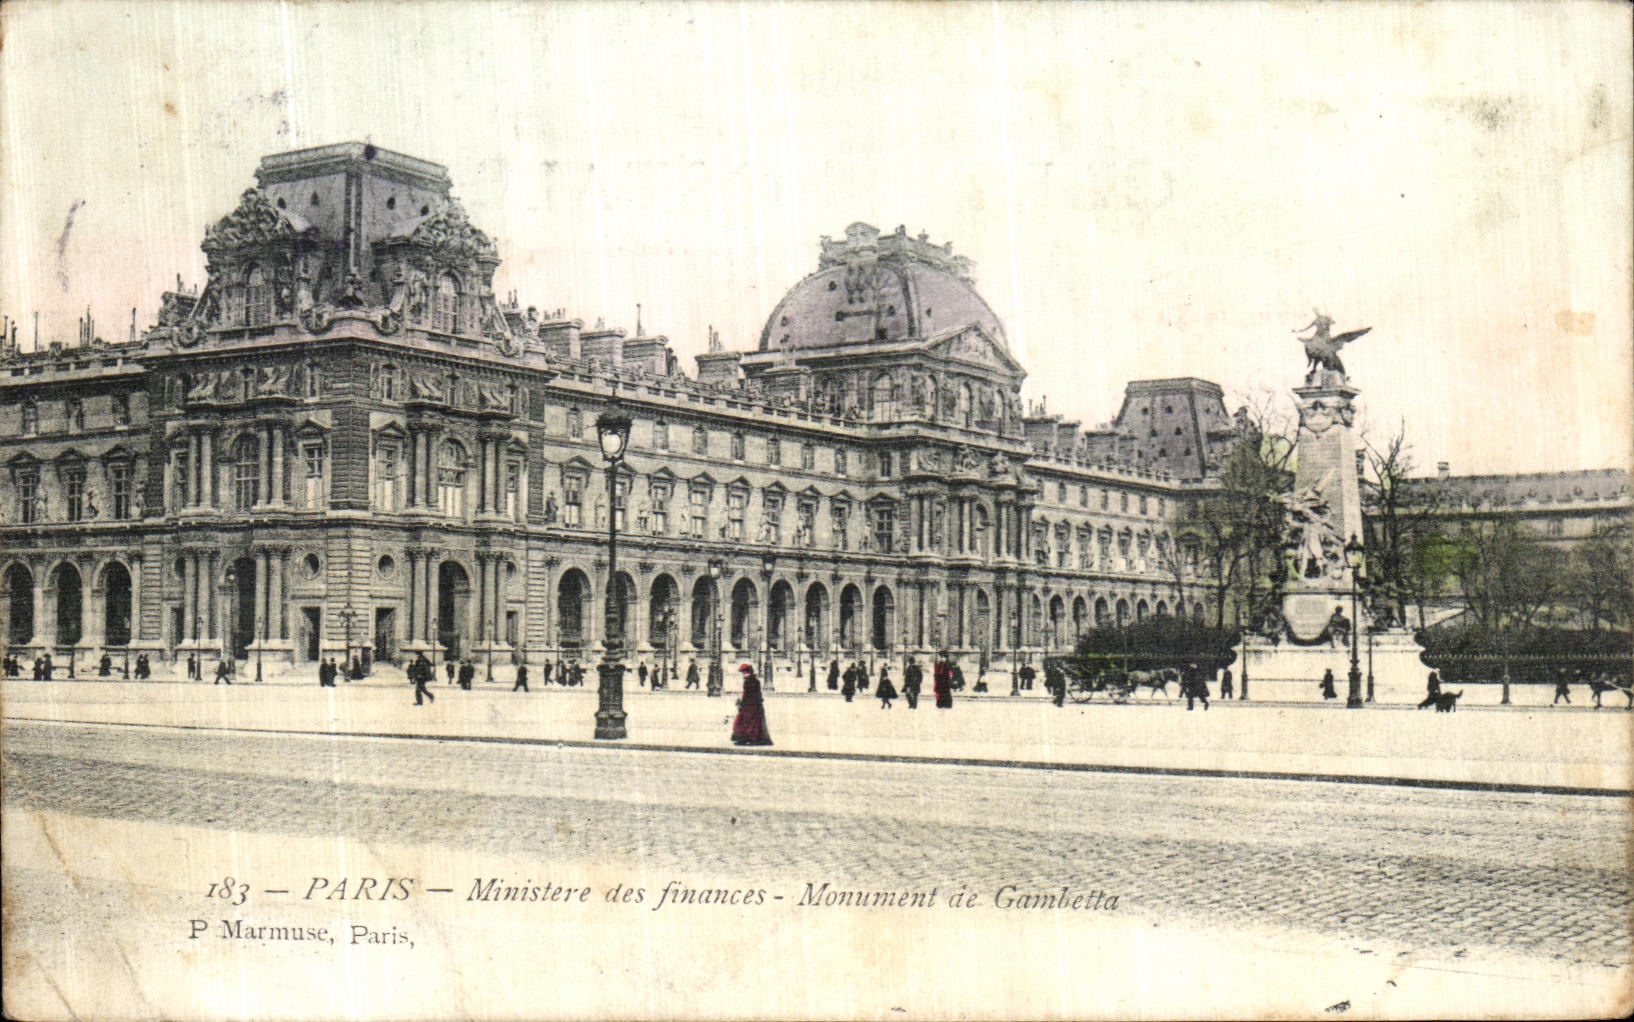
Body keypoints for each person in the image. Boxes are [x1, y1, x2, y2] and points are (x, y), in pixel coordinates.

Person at [731, 664, 773, 746]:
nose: (743, 674)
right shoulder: (756, 681)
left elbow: (746, 695)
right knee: (753, 723)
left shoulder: (748, 682)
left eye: (744, 672)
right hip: (755, 705)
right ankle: (751, 738)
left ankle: (746, 738)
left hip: (749, 706)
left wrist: (741, 703)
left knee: (746, 722)